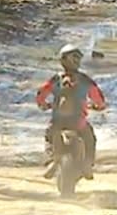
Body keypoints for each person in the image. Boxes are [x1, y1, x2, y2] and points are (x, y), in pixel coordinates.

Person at [36, 44, 107, 180]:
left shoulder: (55, 79)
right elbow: (99, 99)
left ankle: (52, 159)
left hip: (58, 122)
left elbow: (41, 94)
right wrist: (99, 106)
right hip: (78, 123)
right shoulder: (86, 80)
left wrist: (44, 105)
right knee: (90, 138)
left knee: (49, 136)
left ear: (62, 61)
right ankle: (87, 164)